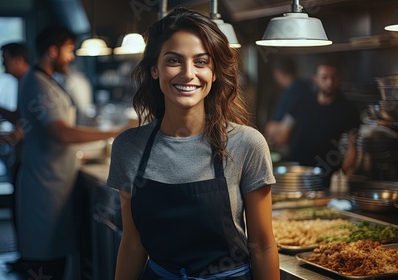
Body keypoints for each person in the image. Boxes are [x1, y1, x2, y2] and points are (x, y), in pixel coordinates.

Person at [107, 7, 279, 280]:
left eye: (201, 62)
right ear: (154, 69)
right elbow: (132, 243)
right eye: (174, 60)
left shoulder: (246, 143)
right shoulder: (128, 147)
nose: (188, 74)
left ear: (214, 73)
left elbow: (262, 246)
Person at [15, 26, 125, 279]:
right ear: (52, 51)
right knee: (44, 262)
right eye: (68, 50)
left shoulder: (46, 80)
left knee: (55, 257)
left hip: (55, 180)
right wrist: (115, 132)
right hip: (44, 185)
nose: (72, 57)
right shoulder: (37, 84)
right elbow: (61, 133)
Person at [269, 59, 360, 186]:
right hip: (297, 173)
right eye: (325, 78)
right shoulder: (302, 102)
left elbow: (352, 148)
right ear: (315, 79)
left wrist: (342, 175)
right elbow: (284, 133)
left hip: (326, 177)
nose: (329, 82)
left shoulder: (348, 110)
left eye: (333, 78)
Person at [265, 56, 312, 155]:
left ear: (278, 73)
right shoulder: (306, 87)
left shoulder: (293, 93)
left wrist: (272, 128)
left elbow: (282, 133)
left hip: (296, 151)